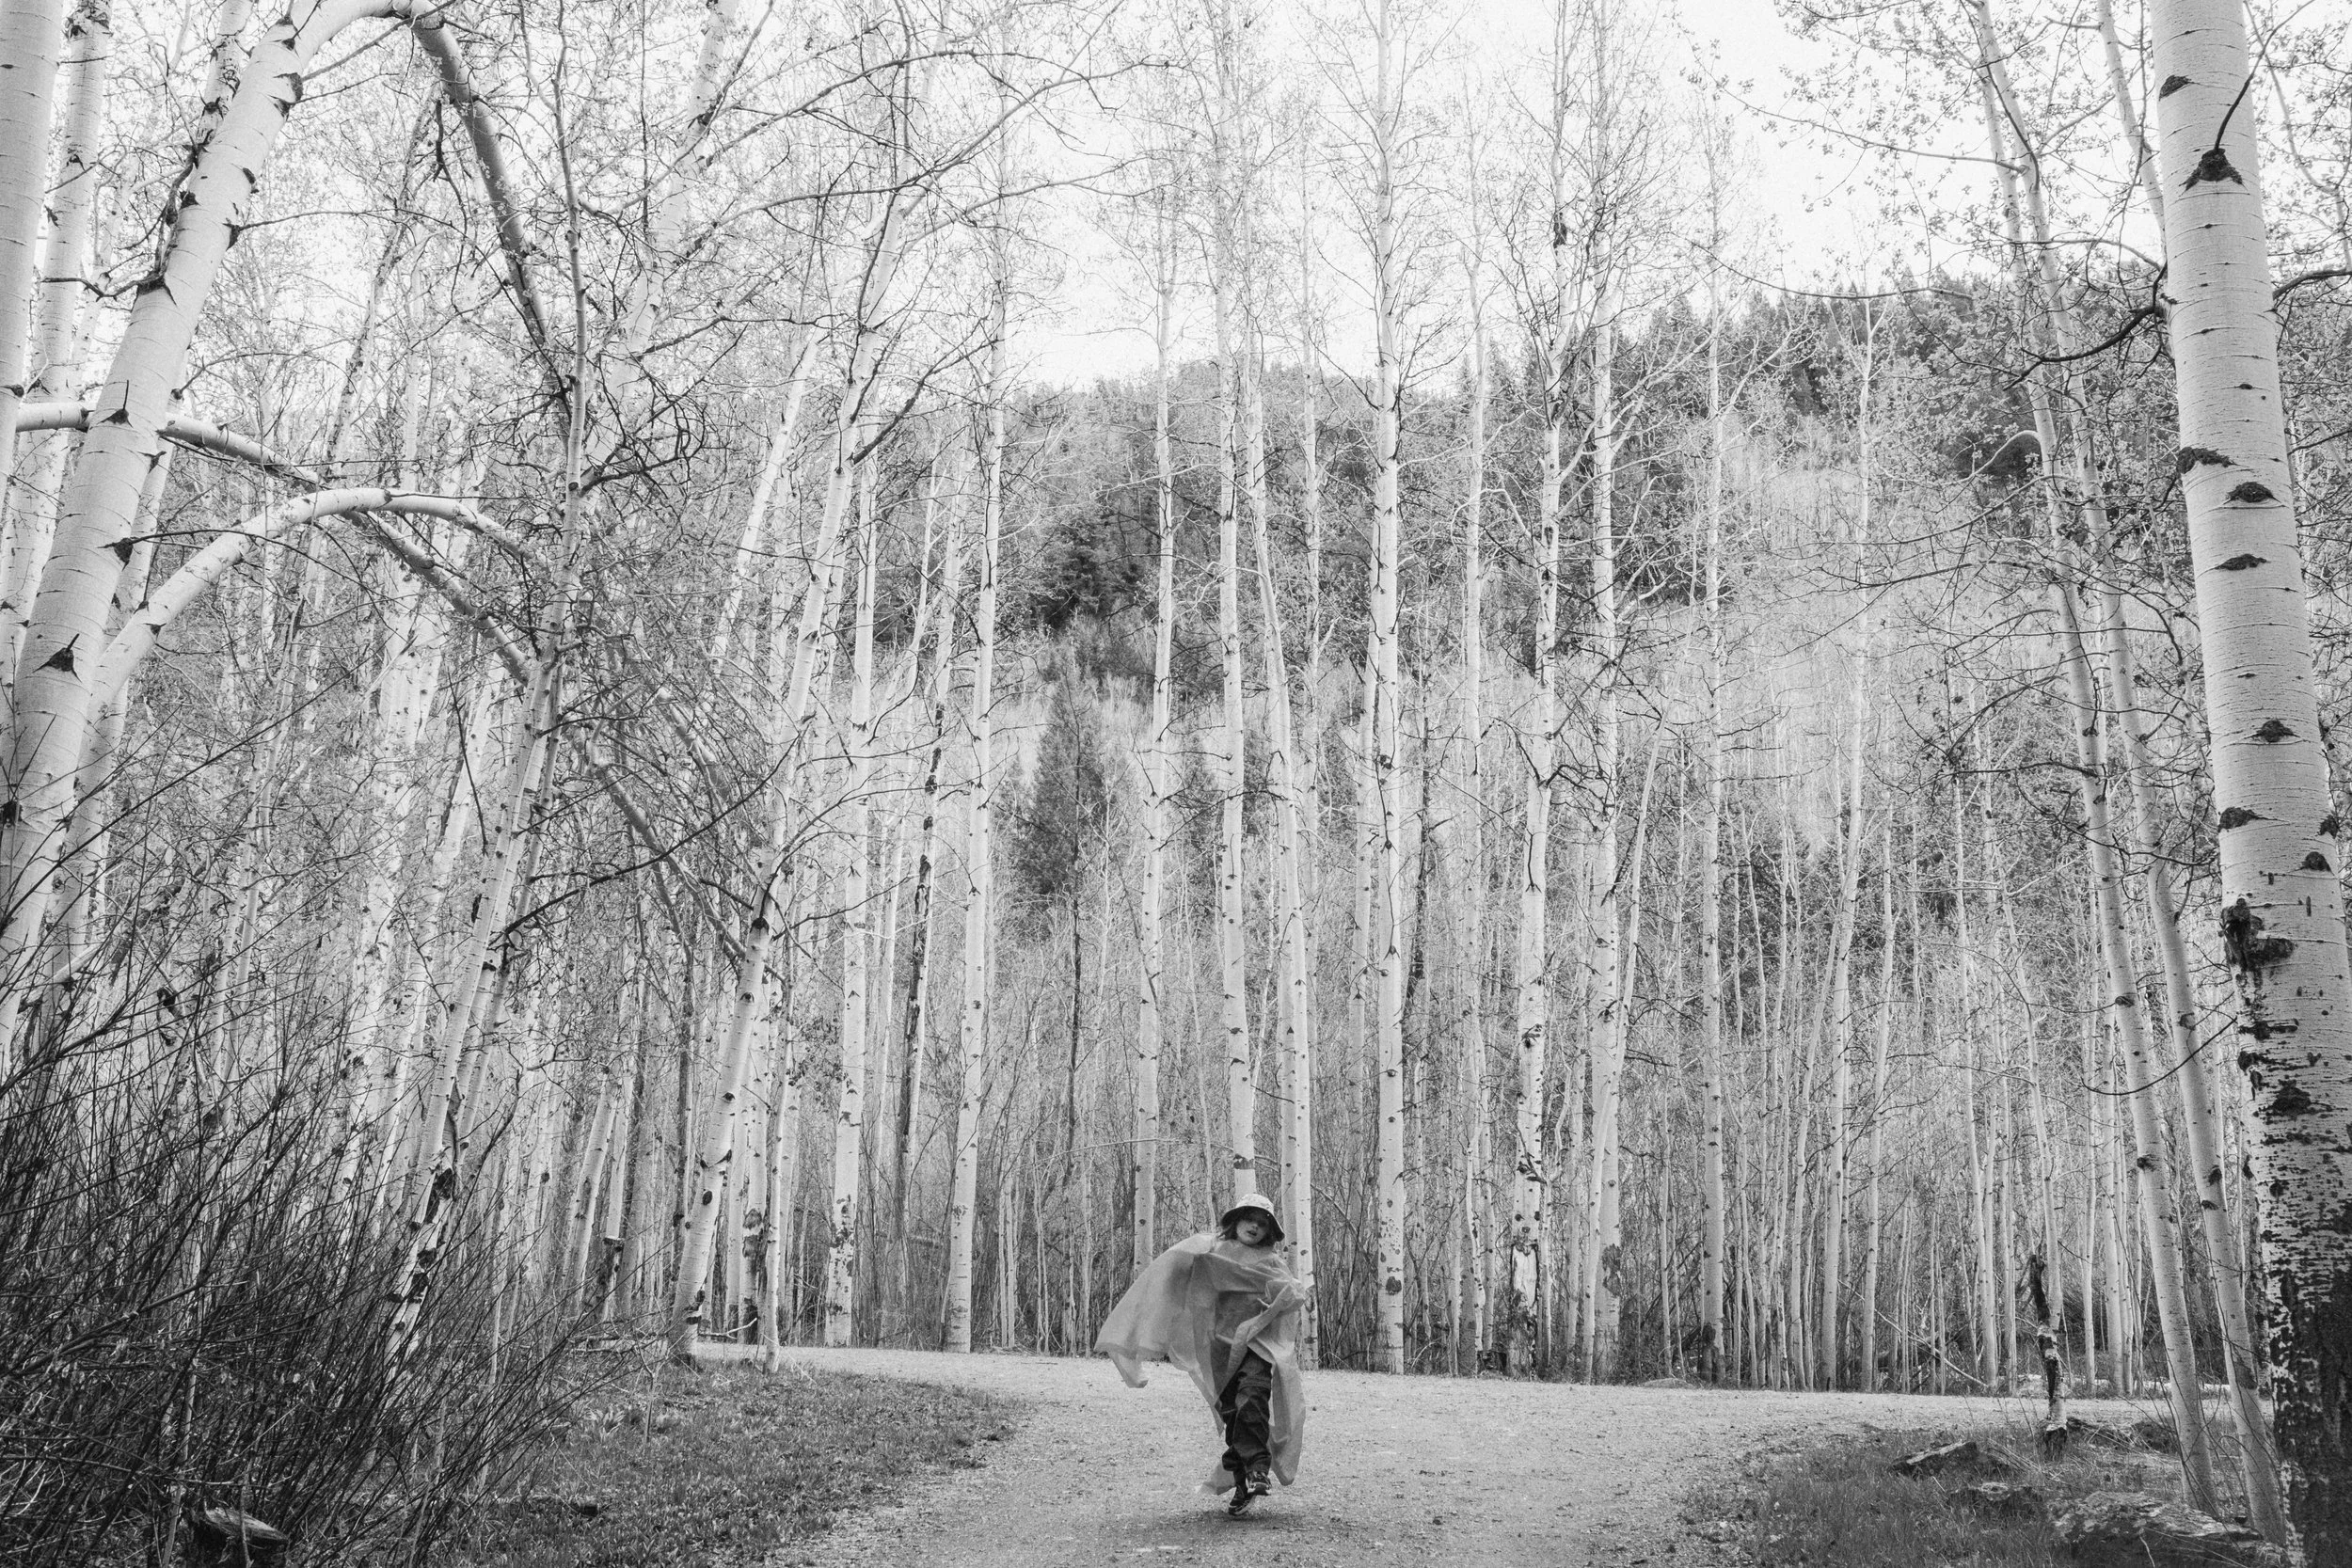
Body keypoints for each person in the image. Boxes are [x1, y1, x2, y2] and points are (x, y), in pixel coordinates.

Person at [1094, 1193, 1310, 1516]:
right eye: (1249, 1218)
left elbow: (1285, 1293)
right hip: (1220, 1346)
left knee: (1253, 1395)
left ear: (1270, 1232)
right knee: (1233, 1412)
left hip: (1257, 1343)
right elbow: (1174, 1269)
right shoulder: (1209, 1251)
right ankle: (1241, 1477)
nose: (1255, 1226)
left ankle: (1256, 1470)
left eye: (1263, 1223)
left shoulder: (1272, 1262)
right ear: (1235, 1222)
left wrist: (1290, 1293)